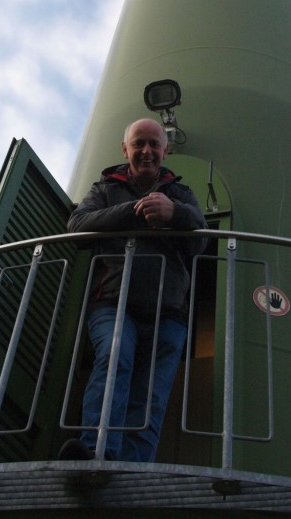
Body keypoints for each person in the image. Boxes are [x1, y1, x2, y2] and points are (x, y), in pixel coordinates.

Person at [59, 118, 207, 463]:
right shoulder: (104, 188)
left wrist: (173, 213)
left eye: (154, 144)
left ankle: (134, 466)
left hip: (168, 311)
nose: (147, 151)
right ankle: (97, 453)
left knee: (151, 392)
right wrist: (134, 211)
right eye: (138, 143)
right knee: (114, 358)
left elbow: (200, 241)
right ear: (124, 149)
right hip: (112, 302)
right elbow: (77, 224)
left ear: (166, 150)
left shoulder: (181, 194)